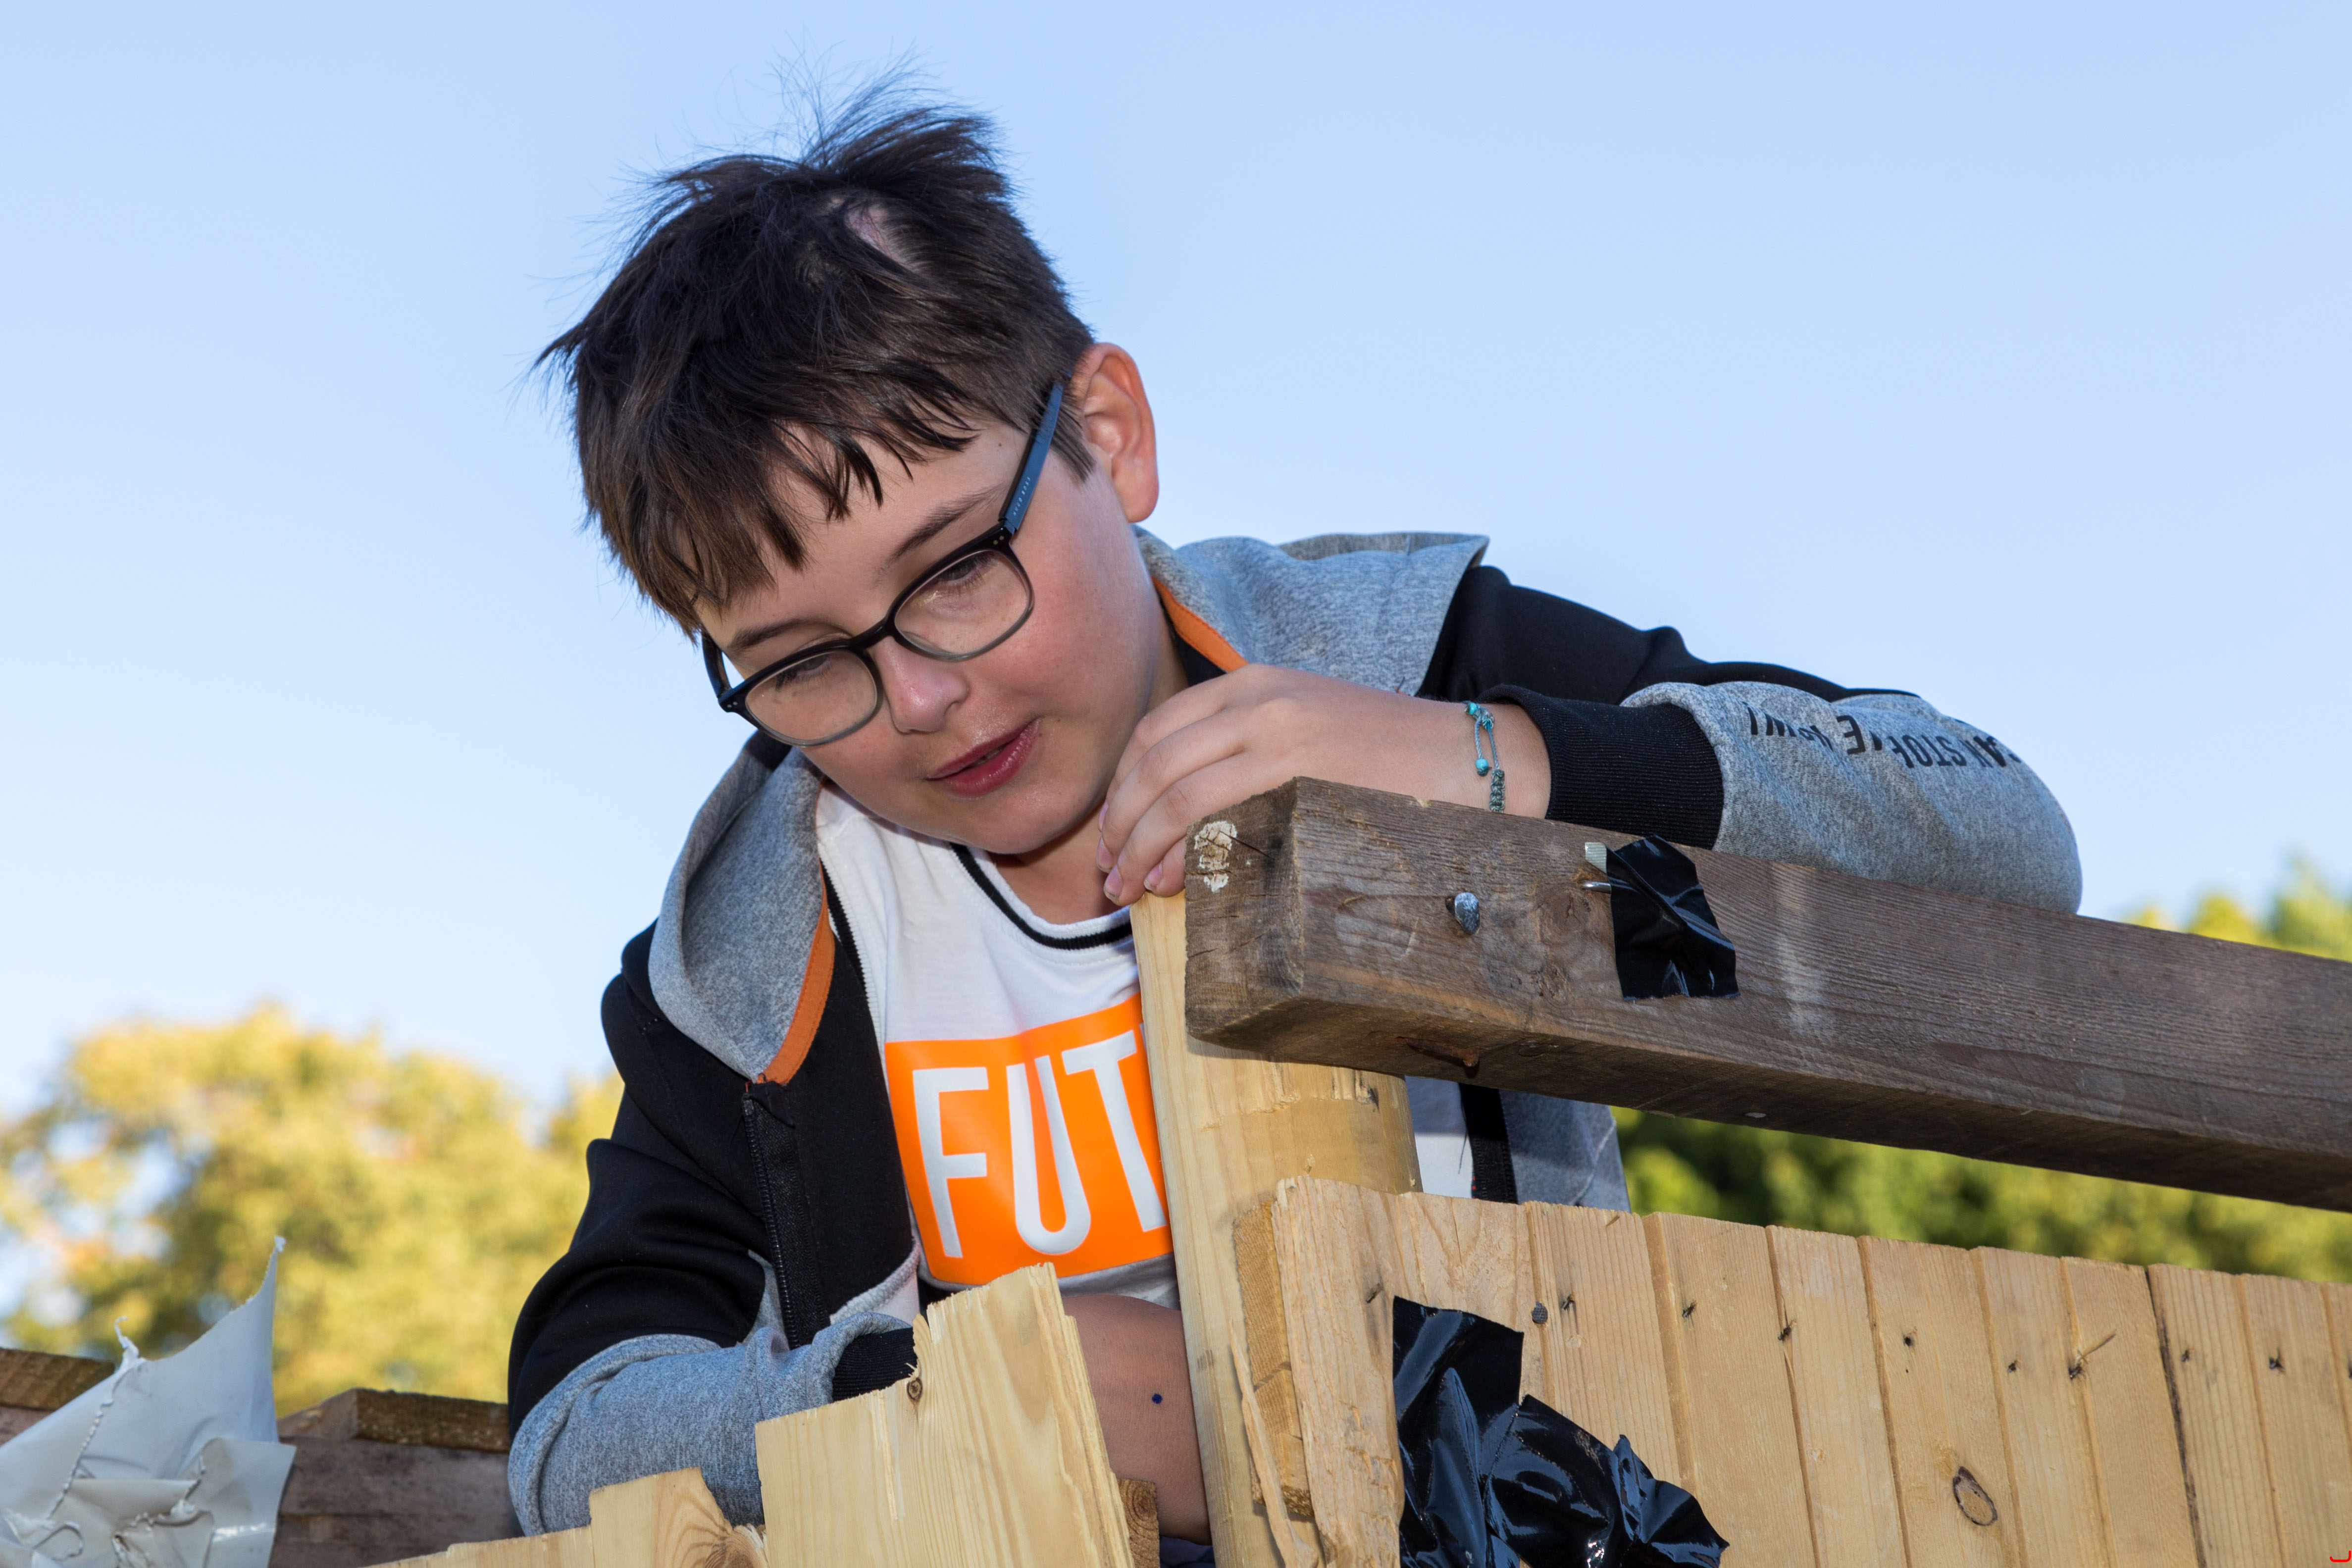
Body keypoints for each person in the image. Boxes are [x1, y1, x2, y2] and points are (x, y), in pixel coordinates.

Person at [504, 91, 2080, 1554]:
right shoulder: (752, 948)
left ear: (1110, 433)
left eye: (957, 570)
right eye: (799, 664)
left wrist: (1497, 765)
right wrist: (961, 1381)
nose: (917, 698)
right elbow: (576, 1421)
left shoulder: (1414, 667)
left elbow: (2006, 839)